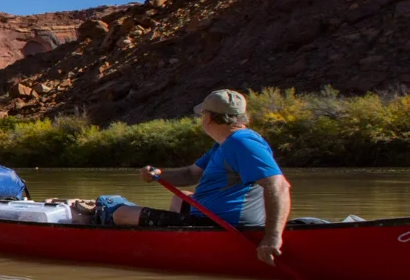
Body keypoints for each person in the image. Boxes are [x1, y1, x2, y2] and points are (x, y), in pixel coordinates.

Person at [109, 89, 291, 265]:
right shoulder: (224, 144)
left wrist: (272, 238)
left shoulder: (241, 143)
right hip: (213, 215)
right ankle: (177, 244)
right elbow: (191, 174)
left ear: (210, 117)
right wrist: (158, 175)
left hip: (223, 224)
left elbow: (278, 186)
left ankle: (171, 249)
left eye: (203, 115)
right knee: (181, 198)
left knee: (121, 214)